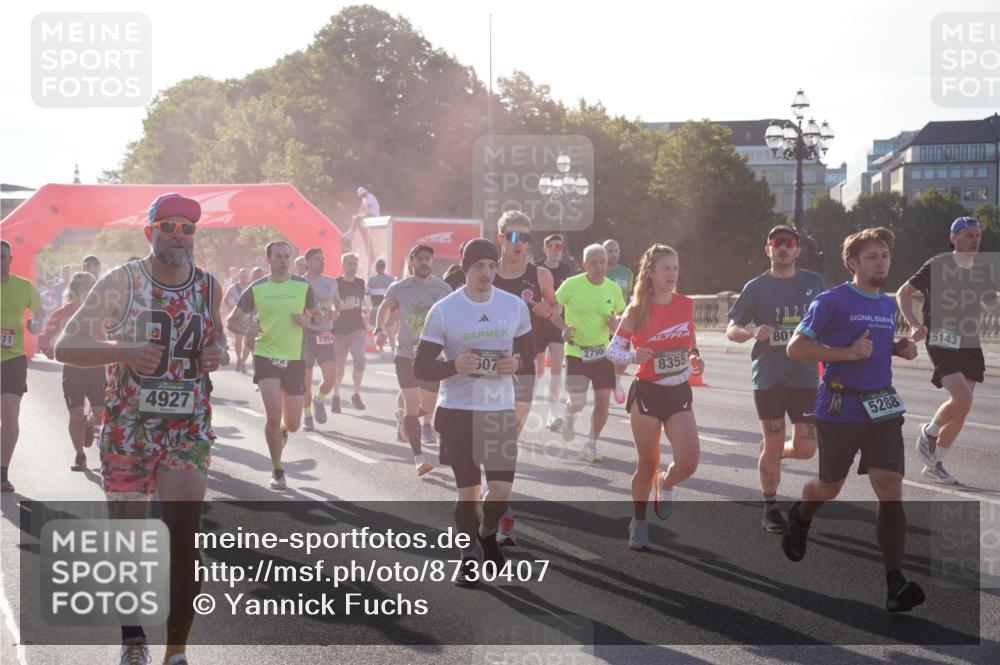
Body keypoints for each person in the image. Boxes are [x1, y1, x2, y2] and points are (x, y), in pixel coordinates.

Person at [54, 192, 227, 664]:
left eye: (187, 228)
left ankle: (177, 651)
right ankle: (133, 638)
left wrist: (218, 354)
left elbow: (218, 341)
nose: (178, 235)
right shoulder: (121, 281)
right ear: (150, 232)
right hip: (128, 430)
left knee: (184, 535)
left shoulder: (209, 286)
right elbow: (64, 345)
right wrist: (124, 351)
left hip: (187, 428)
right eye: (168, 226)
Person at [782, 227, 925, 612]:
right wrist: (845, 354)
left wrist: (897, 347)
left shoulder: (887, 306)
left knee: (890, 486)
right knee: (829, 487)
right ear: (853, 263)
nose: (881, 263)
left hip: (882, 407)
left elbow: (873, 346)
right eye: (872, 257)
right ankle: (802, 514)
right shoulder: (831, 301)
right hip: (839, 408)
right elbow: (797, 347)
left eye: (885, 256)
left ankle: (895, 583)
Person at [413, 239, 533, 586]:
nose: (486, 273)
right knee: (469, 492)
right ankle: (467, 556)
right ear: (466, 268)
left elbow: (528, 352)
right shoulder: (445, 310)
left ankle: (487, 532)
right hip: (457, 411)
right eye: (479, 266)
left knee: (501, 491)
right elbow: (421, 366)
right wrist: (453, 365)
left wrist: (516, 362)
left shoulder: (513, 306)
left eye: (492, 266)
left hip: (498, 410)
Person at [726, 225, 824, 533]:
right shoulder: (756, 287)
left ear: (797, 250)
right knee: (772, 440)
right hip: (769, 377)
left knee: (807, 448)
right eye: (776, 242)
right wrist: (752, 331)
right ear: (767, 249)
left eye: (789, 242)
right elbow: (732, 329)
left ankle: (775, 452)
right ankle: (770, 506)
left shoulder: (813, 282)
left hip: (805, 376)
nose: (782, 247)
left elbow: (829, 318)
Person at [607, 244, 704, 551]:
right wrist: (633, 355)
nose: (672, 274)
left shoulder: (685, 304)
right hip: (647, 393)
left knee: (688, 462)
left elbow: (689, 333)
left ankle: (666, 482)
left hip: (678, 391)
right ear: (650, 272)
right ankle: (639, 521)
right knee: (647, 464)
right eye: (666, 268)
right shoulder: (637, 310)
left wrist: (694, 354)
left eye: (675, 268)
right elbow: (613, 351)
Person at [897, 216, 1000, 485]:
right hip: (941, 337)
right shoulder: (938, 265)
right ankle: (930, 432)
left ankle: (935, 464)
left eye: (978, 235)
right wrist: (914, 324)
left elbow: (992, 306)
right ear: (954, 238)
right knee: (962, 398)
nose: (975, 241)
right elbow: (903, 293)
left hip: (969, 340)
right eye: (968, 235)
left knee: (963, 407)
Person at [228, 241, 320, 490]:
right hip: (265, 355)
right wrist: (246, 328)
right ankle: (278, 469)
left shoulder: (303, 286)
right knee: (272, 415)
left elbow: (318, 317)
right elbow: (232, 321)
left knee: (293, 423)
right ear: (268, 260)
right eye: (278, 256)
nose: (283, 260)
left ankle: (283, 431)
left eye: (286, 256)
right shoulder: (257, 288)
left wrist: (308, 320)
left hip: (295, 358)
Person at [375, 244, 451, 475]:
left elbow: (453, 317)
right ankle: (419, 458)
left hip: (433, 356)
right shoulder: (399, 287)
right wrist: (379, 329)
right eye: (419, 259)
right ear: (411, 262)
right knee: (411, 404)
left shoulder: (443, 288)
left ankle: (405, 420)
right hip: (406, 354)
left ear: (432, 262)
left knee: (426, 407)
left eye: (427, 258)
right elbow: (384, 307)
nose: (424, 263)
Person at [556, 243, 626, 462]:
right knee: (577, 402)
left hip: (602, 352)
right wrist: (563, 328)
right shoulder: (571, 285)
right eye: (593, 263)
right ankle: (570, 415)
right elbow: (551, 306)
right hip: (576, 351)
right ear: (585, 264)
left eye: (602, 262)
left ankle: (591, 444)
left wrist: (616, 324)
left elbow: (621, 316)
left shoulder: (613, 288)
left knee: (603, 400)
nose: (599, 267)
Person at [39, 271, 105, 472]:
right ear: (75, 290)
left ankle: (89, 424)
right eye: (85, 287)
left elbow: (116, 334)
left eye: (92, 287)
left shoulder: (102, 311)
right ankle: (80, 455)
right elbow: (45, 337)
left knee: (100, 415)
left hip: (97, 369)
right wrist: (49, 350)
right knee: (75, 414)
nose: (89, 291)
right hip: (73, 370)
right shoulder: (62, 313)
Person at [1, 240, 46, 493]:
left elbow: (40, 313)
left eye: (2, 257)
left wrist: (37, 324)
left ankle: (2, 472)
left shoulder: (24, 286)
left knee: (10, 411)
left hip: (13, 358)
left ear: (10, 259)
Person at [534, 233, 575, 430]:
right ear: (545, 250)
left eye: (560, 247)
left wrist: (560, 306)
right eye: (553, 247)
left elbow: (570, 297)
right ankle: (528, 400)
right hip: (537, 324)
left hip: (557, 324)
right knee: (538, 370)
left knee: (557, 367)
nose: (557, 251)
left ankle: (553, 410)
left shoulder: (566, 270)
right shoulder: (536, 269)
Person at [300, 248, 340, 432]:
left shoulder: (331, 282)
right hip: (305, 335)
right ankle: (307, 415)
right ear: (307, 262)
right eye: (317, 259)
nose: (321, 262)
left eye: (323, 259)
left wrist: (336, 312)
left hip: (325, 334)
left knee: (331, 377)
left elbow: (337, 302)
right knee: (306, 381)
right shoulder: (300, 283)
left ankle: (319, 400)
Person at [330, 252, 369, 412]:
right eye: (350, 264)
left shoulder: (360, 283)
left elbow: (363, 301)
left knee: (359, 360)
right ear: (343, 265)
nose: (353, 267)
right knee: (339, 367)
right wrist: (345, 306)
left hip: (357, 328)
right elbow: (331, 305)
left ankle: (356, 394)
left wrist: (366, 307)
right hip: (338, 330)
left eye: (355, 264)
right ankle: (336, 396)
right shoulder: (335, 283)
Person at [604, 239, 634, 405]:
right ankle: (602, 391)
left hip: (622, 324)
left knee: (623, 359)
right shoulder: (599, 272)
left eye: (616, 251)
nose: (613, 254)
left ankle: (616, 379)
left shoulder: (627, 273)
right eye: (610, 251)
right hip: (602, 324)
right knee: (603, 360)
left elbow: (629, 297)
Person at [223, 268, 252, 372]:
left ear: (248, 276)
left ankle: (243, 362)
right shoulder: (233, 288)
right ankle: (239, 359)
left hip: (249, 318)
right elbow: (225, 299)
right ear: (239, 277)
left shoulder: (252, 287)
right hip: (237, 318)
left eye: (246, 276)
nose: (244, 278)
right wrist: (231, 311)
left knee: (248, 340)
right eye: (242, 276)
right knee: (238, 339)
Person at [367, 258, 396, 355]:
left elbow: (367, 293)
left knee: (378, 330)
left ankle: (381, 350)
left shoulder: (371, 280)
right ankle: (393, 350)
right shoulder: (391, 280)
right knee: (390, 330)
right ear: (384, 267)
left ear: (376, 268)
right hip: (389, 309)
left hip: (375, 309)